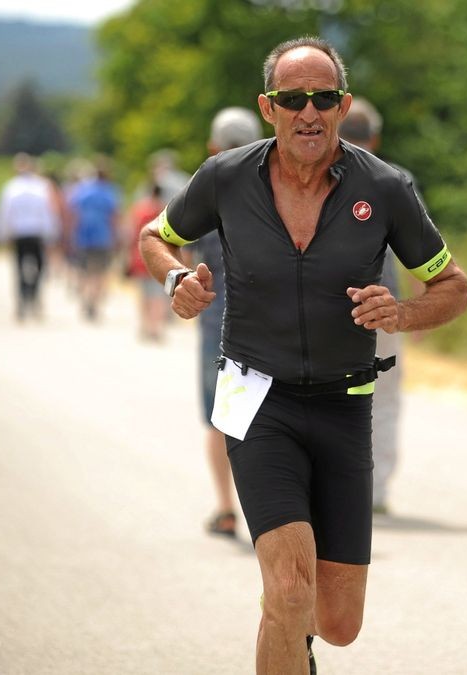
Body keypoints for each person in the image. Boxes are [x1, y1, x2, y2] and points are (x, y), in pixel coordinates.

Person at [140, 36, 467, 673]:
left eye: (323, 98)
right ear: (269, 108)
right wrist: (176, 281)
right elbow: (158, 236)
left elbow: (453, 288)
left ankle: (290, 631)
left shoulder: (386, 187)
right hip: (255, 398)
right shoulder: (226, 177)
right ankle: (283, 609)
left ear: (343, 106)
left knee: (338, 624)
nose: (309, 112)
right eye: (293, 99)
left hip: (345, 406)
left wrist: (402, 314)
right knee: (290, 594)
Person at [178, 106, 263, 537]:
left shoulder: (203, 191)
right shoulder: (275, 189)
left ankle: (226, 508)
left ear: (213, 147)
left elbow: (179, 250)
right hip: (268, 326)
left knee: (220, 419)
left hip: (217, 323)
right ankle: (267, 515)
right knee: (266, 421)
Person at [339, 96, 419, 514]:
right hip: (384, 307)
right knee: (384, 399)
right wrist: (417, 310)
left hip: (330, 309)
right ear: (376, 136)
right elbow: (417, 251)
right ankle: (376, 491)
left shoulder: (319, 173)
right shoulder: (395, 177)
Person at [0, 153, 61, 321]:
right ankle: (33, 296)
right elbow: (48, 213)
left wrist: (1, 234)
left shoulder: (11, 187)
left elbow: (4, 213)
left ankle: (22, 300)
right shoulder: (41, 187)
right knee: (39, 267)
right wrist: (52, 234)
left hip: (19, 233)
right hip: (36, 233)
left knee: (19, 268)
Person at [67, 158, 121, 322]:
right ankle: (95, 303)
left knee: (84, 271)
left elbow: (73, 214)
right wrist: (117, 237)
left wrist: (71, 234)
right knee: (100, 272)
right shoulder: (110, 192)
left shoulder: (83, 191)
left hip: (84, 236)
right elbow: (114, 217)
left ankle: (86, 298)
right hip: (103, 237)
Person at [125, 182, 169, 341]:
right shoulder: (165, 211)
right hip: (160, 256)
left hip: (140, 254)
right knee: (158, 294)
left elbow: (131, 232)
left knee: (144, 294)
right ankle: (156, 328)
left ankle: (144, 325)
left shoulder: (139, 209)